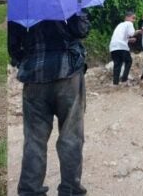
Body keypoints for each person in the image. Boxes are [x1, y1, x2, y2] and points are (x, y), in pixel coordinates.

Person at [8, 10, 90, 196]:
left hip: (34, 77)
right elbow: (82, 30)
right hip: (67, 74)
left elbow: (13, 47)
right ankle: (70, 190)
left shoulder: (22, 1)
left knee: (34, 140)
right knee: (71, 137)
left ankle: (30, 191)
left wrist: (29, 61)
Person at [109, 11, 141, 87]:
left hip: (113, 46)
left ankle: (115, 83)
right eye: (133, 18)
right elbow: (132, 33)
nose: (134, 20)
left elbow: (121, 37)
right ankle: (124, 80)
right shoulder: (129, 23)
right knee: (129, 61)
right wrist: (139, 31)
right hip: (121, 46)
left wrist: (129, 40)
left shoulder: (120, 25)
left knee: (117, 64)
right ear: (127, 17)